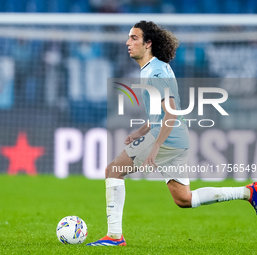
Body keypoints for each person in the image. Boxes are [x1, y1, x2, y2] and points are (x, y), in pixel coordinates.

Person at [86, 20, 257, 247]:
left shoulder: (155, 72)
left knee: (113, 171)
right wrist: (142, 130)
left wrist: (155, 147)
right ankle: (249, 192)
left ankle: (115, 236)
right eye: (128, 37)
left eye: (134, 38)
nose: (128, 42)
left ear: (148, 43)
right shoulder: (155, 68)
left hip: (166, 136)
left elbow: (172, 111)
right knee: (183, 199)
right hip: (175, 135)